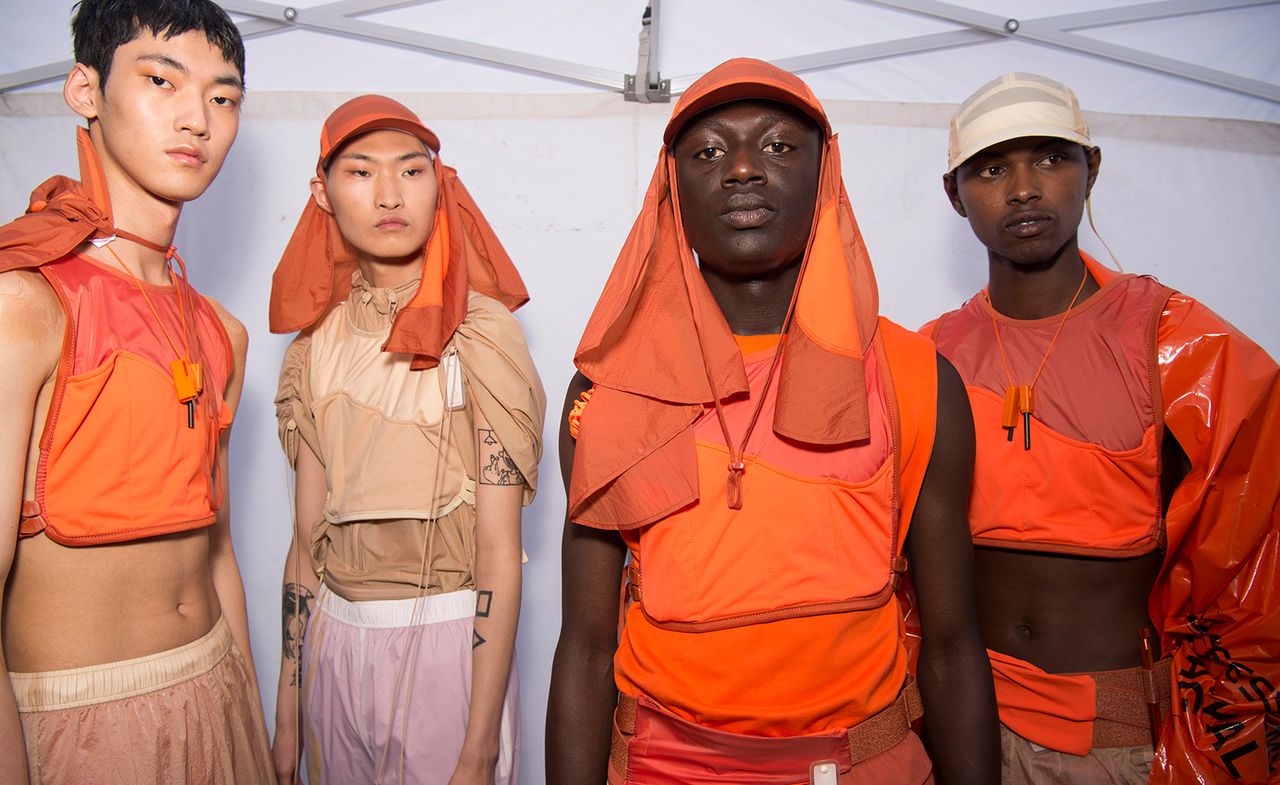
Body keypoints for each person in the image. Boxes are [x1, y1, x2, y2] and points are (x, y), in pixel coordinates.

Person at [546, 58, 998, 785]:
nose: (744, 169)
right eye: (709, 151)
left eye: (781, 146)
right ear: (671, 186)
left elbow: (950, 644)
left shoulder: (916, 376)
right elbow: (586, 646)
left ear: (825, 172)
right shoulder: (605, 390)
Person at [927, 72, 1280, 784]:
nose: (1024, 188)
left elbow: (1251, 555)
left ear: (1091, 169)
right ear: (955, 193)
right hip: (961, 722)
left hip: (1113, 740)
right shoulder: (927, 352)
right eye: (993, 168)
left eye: (1051, 158)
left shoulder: (1175, 340)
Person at [0, 2, 275, 784]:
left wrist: (249, 718)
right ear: (85, 90)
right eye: (161, 80)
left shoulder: (221, 332)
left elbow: (216, 547)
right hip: (78, 720)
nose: (197, 118)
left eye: (223, 98)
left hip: (215, 688)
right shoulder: (26, 306)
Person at [268, 95, 545, 785]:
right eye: (361, 172)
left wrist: (480, 744)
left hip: (448, 641)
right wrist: (285, 710)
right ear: (322, 193)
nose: (389, 194)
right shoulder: (313, 349)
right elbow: (306, 545)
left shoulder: (481, 334)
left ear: (438, 182)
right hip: (334, 640)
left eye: (411, 171)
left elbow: (497, 550)